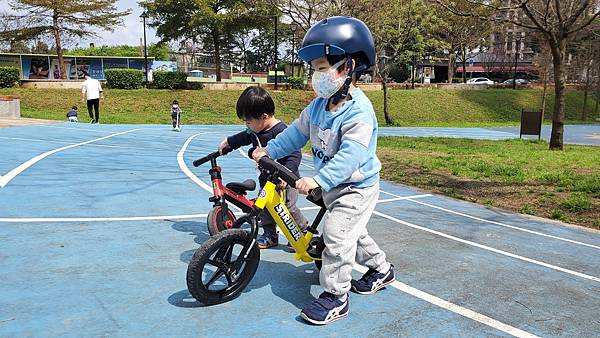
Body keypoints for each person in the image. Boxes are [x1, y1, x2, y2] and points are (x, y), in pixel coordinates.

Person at [251, 16, 394, 325]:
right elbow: (294, 134)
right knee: (352, 232)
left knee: (336, 234)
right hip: (333, 185)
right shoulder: (318, 105)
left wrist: (318, 179)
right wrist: (268, 151)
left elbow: (351, 156)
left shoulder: (359, 112)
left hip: (357, 186)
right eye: (315, 70)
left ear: (350, 65)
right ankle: (381, 268)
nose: (318, 76)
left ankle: (335, 297)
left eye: (323, 68)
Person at [219, 86, 307, 249]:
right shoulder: (255, 130)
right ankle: (270, 235)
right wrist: (229, 142)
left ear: (263, 117)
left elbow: (295, 155)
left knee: (288, 208)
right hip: (267, 179)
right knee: (264, 207)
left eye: (248, 121)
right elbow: (243, 136)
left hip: (286, 180)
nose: (247, 125)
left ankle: (301, 232)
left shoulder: (281, 131)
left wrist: (287, 175)